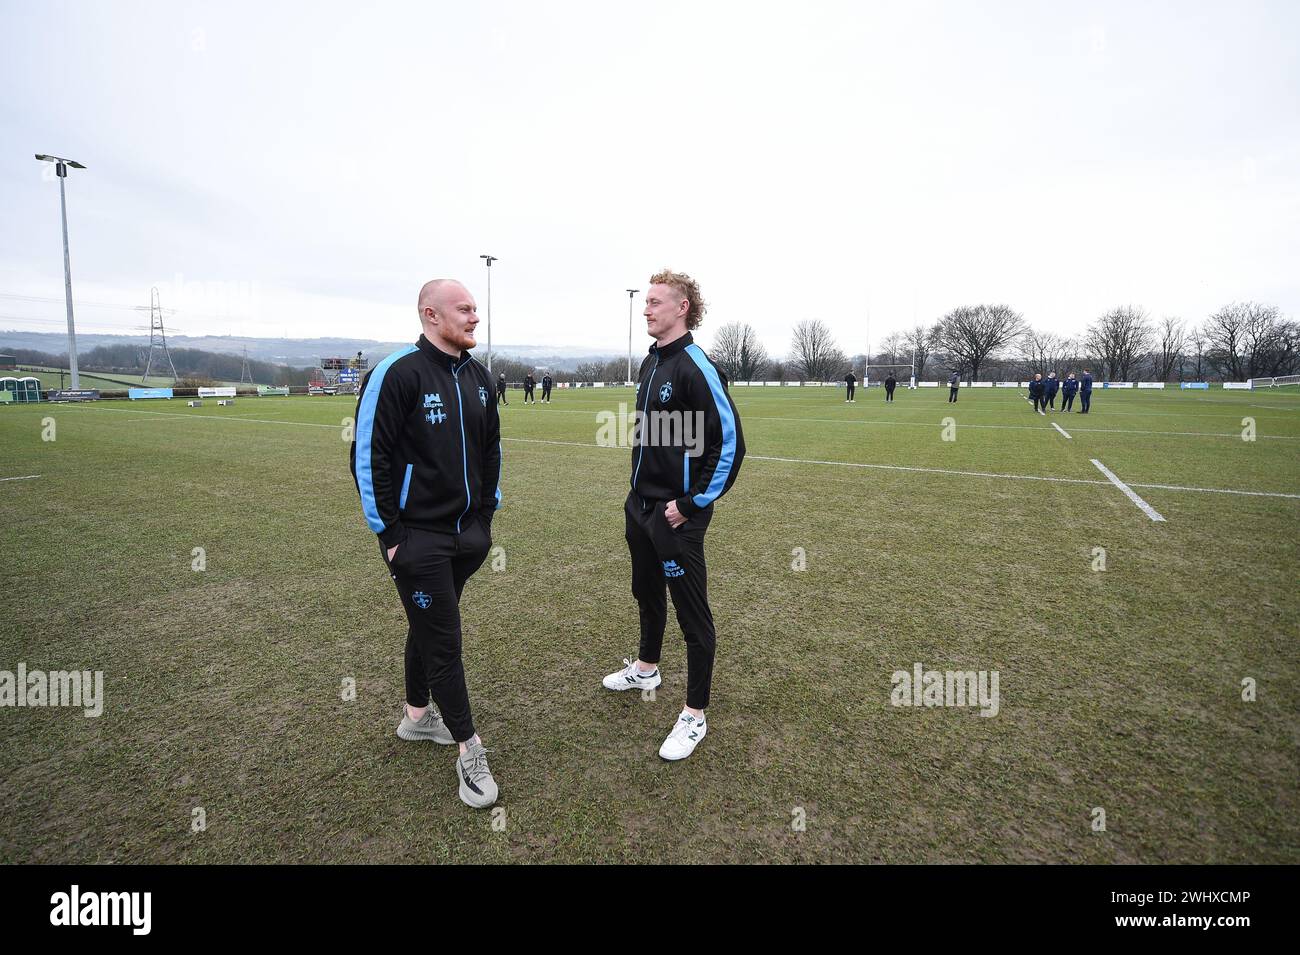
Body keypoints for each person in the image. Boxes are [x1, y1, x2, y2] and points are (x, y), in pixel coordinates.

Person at [350, 278, 503, 809]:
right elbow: (370, 457)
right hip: (416, 540)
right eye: (464, 309)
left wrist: (486, 515)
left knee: (429, 623)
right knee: (444, 637)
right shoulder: (397, 373)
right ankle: (469, 749)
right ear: (430, 315)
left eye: (475, 310)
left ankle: (417, 716)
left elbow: (491, 451)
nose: (474, 318)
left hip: (468, 536)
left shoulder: (480, 378)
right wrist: (391, 536)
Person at [602, 270, 745, 762]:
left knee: (692, 613)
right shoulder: (651, 362)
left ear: (682, 307)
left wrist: (689, 505)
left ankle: (695, 714)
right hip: (639, 504)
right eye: (646, 302)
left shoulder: (695, 367)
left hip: (674, 515)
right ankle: (646, 667)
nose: (646, 309)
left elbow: (729, 445)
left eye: (656, 302)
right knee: (645, 590)